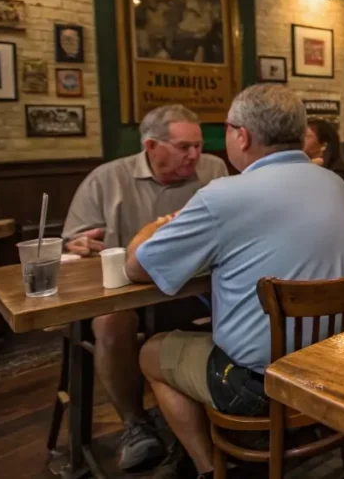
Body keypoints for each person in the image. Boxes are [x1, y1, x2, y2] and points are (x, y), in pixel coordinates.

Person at [128, 84, 344, 479]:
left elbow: (138, 268)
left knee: (150, 352)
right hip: (339, 362)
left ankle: (209, 469)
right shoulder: (334, 183)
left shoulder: (223, 195)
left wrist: (154, 226)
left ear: (242, 135)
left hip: (260, 385)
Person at [61, 105, 228, 472]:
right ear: (151, 146)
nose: (195, 156)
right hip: (126, 296)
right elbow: (74, 244)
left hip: (190, 289)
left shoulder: (214, 170)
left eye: (199, 146)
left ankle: (222, 409)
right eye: (184, 147)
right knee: (109, 321)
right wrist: (78, 247)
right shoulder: (106, 179)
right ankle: (136, 424)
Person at [303, 118, 344, 202]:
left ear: (324, 145)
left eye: (306, 136)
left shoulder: (339, 173)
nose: (301, 140)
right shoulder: (303, 167)